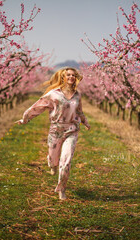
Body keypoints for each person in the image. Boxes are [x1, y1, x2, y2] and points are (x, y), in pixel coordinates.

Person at [15, 67, 90, 200]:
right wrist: (25, 119)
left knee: (66, 161)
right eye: (68, 75)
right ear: (63, 77)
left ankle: (61, 189)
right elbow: (37, 107)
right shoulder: (54, 94)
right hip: (56, 130)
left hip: (72, 130)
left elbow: (79, 111)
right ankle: (52, 164)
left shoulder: (77, 94)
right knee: (53, 158)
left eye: (73, 75)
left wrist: (85, 122)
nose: (71, 77)